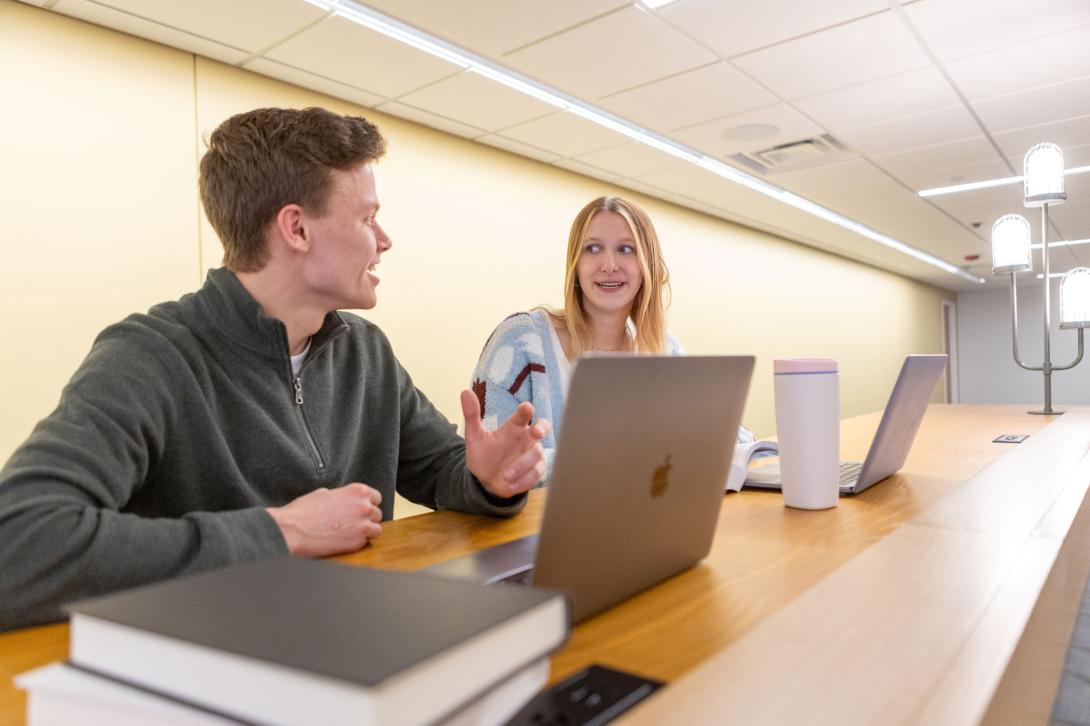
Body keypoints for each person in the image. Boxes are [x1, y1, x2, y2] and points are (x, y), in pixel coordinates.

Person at [0, 107, 548, 631]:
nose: (384, 241)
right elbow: (19, 544)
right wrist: (280, 531)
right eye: (368, 218)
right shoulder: (149, 356)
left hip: (354, 636)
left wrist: (487, 479)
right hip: (215, 664)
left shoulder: (366, 352)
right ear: (297, 229)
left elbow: (440, 469)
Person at [471, 196, 752, 481]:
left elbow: (733, 439)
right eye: (592, 248)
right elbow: (493, 465)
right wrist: (634, 457)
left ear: (647, 266)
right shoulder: (520, 342)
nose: (609, 264)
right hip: (531, 523)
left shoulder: (663, 349)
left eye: (626, 249)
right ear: (575, 265)